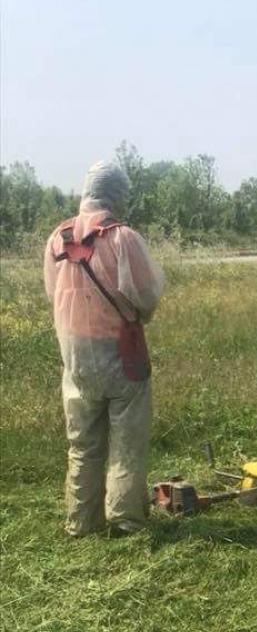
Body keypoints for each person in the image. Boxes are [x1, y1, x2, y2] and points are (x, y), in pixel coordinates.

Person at [44, 161, 165, 538]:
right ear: (116, 194)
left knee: (82, 444)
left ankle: (81, 522)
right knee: (126, 440)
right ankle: (125, 521)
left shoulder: (57, 239)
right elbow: (146, 297)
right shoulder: (122, 237)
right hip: (119, 353)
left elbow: (53, 295)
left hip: (75, 357)